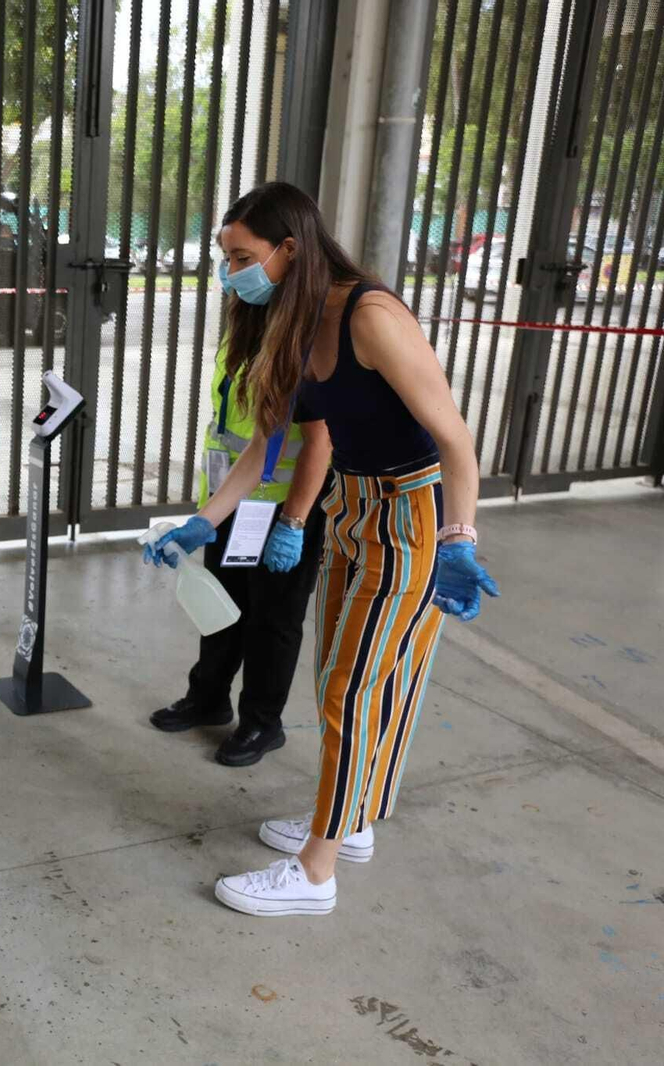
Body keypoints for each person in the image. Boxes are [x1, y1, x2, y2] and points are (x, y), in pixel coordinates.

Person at [143, 182, 500, 917]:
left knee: (354, 687)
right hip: (353, 511)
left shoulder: (368, 315)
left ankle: (316, 871)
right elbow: (264, 449)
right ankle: (352, 821)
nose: (229, 272)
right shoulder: (295, 321)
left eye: (241, 256)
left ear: (290, 249)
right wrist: (204, 521)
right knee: (352, 677)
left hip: (414, 514)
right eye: (224, 256)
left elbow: (456, 438)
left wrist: (459, 538)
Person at [148, 341, 332, 767]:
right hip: (234, 500)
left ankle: (262, 723)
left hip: (288, 509)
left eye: (241, 267)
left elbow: (319, 443)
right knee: (220, 606)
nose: (231, 276)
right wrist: (207, 517)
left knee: (274, 621)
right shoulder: (244, 331)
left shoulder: (304, 343)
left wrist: (293, 522)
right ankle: (208, 698)